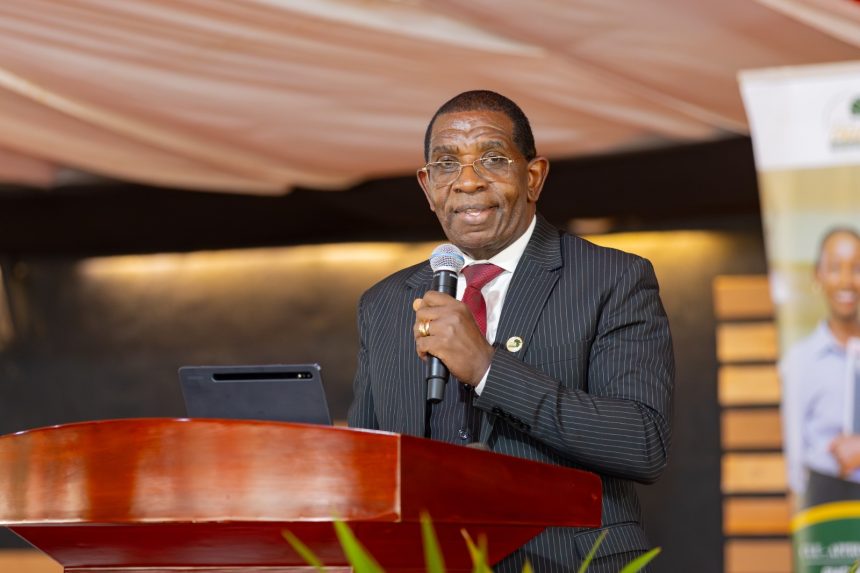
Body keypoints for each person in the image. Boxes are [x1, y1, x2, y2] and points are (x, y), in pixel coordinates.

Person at [348, 90, 674, 572]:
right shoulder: (385, 302)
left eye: (493, 159)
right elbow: (368, 464)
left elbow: (641, 443)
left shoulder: (613, 278)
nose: (468, 182)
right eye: (446, 164)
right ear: (428, 186)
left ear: (533, 176)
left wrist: (487, 369)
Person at [781, 227, 860, 508]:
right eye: (835, 268)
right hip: (825, 499)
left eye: (857, 268)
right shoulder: (800, 361)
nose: (847, 280)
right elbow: (794, 456)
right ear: (818, 275)